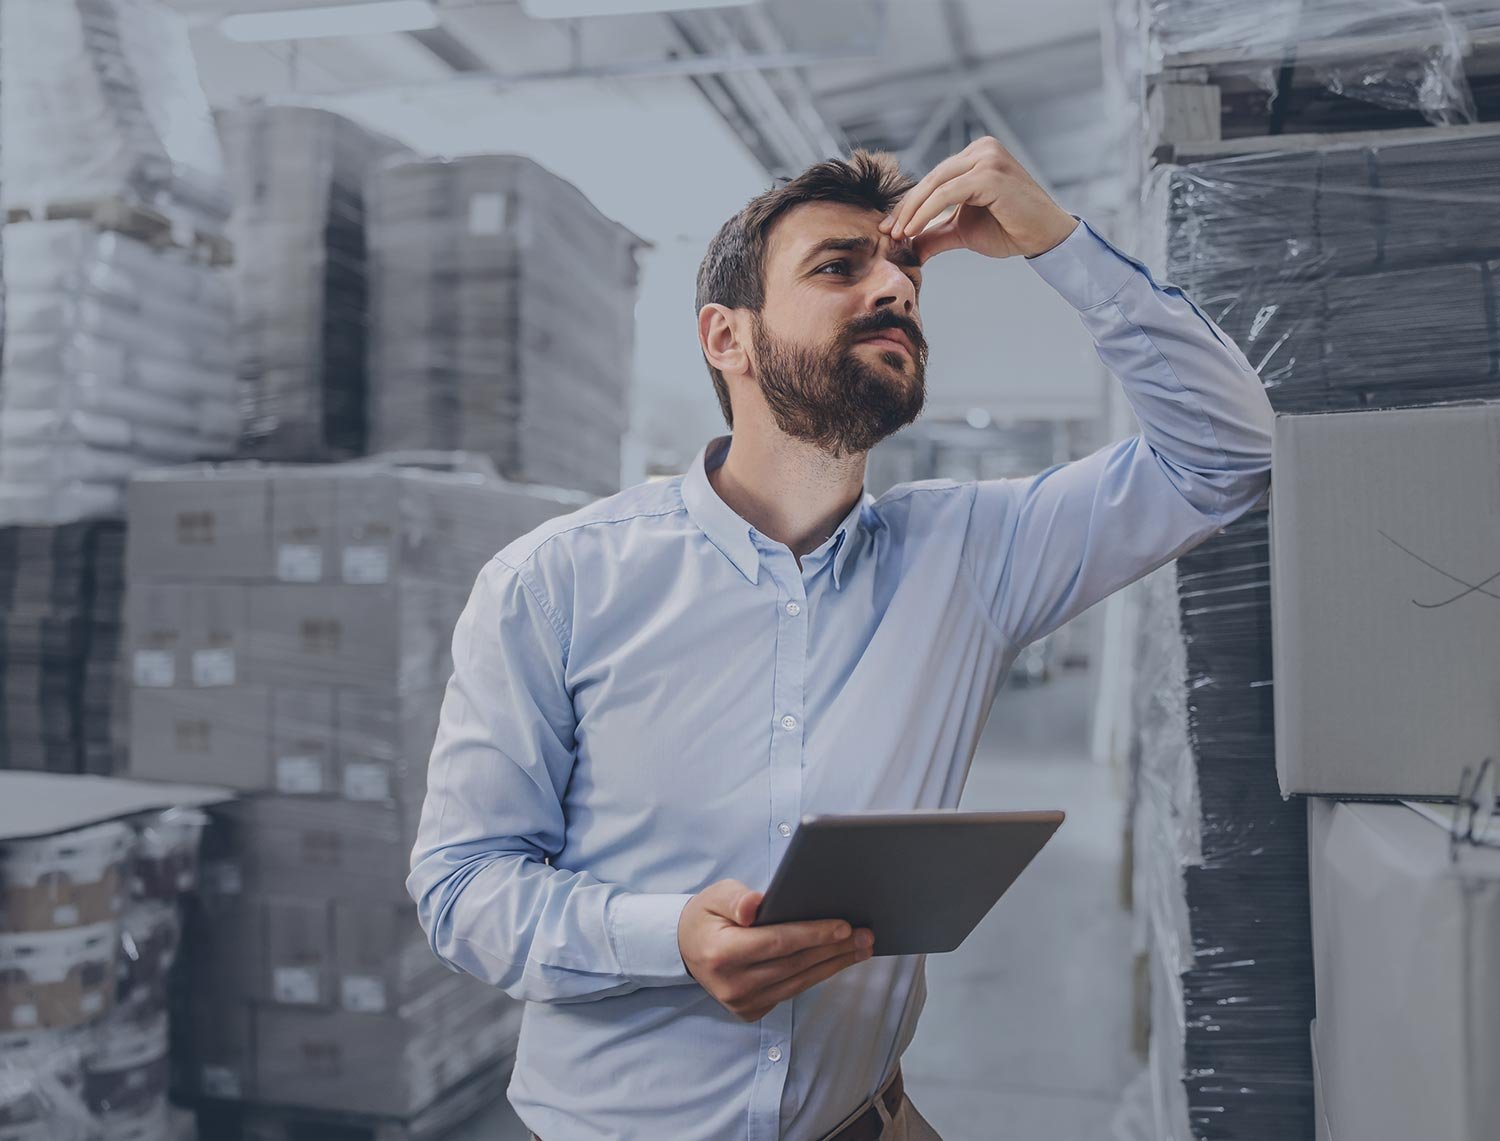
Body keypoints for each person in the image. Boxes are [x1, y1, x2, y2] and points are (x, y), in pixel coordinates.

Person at [407, 137, 1274, 1141]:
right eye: (839, 266)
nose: (897, 288)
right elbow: (462, 886)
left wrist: (1059, 242)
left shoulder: (969, 556)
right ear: (727, 337)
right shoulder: (553, 584)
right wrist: (668, 937)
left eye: (905, 269)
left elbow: (1227, 454)